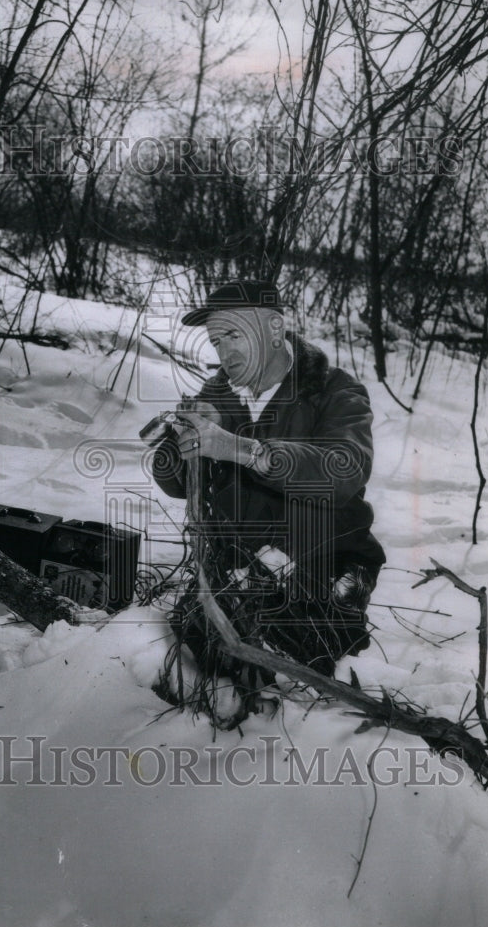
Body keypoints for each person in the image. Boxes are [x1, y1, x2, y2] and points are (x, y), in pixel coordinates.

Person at [147, 280, 385, 718]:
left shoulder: (334, 391)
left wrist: (240, 449)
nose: (224, 352)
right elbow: (177, 482)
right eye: (216, 340)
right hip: (243, 565)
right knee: (200, 653)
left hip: (323, 560)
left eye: (234, 335)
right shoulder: (218, 393)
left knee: (303, 678)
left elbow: (344, 471)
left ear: (275, 330)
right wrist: (176, 446)